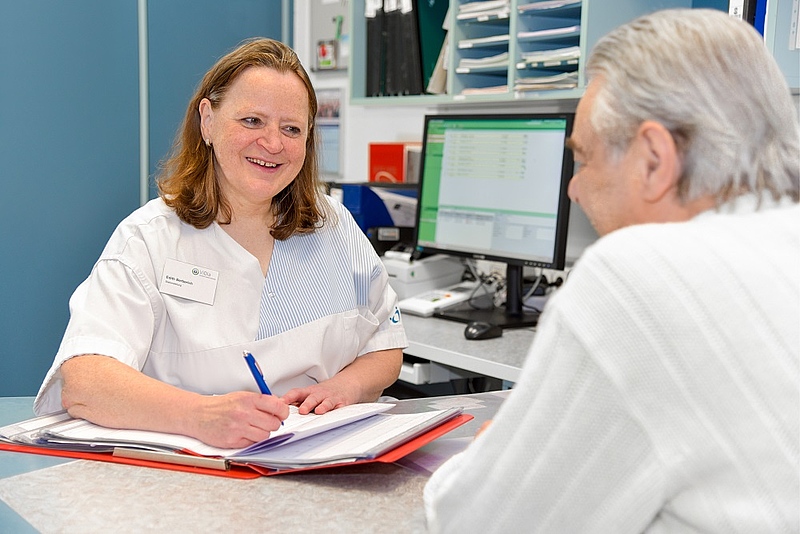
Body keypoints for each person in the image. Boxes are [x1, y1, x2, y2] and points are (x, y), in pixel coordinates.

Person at [424, 8, 799, 533]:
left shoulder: (640, 273)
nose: (573, 188)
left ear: (654, 159)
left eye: (585, 158)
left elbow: (477, 522)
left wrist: (485, 455)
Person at [33, 38, 406, 449]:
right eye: (252, 121)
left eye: (291, 129)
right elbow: (85, 381)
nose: (273, 143)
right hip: (196, 470)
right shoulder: (149, 238)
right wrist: (199, 416)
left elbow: (385, 345)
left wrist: (346, 387)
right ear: (208, 121)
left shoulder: (332, 225)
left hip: (320, 455)